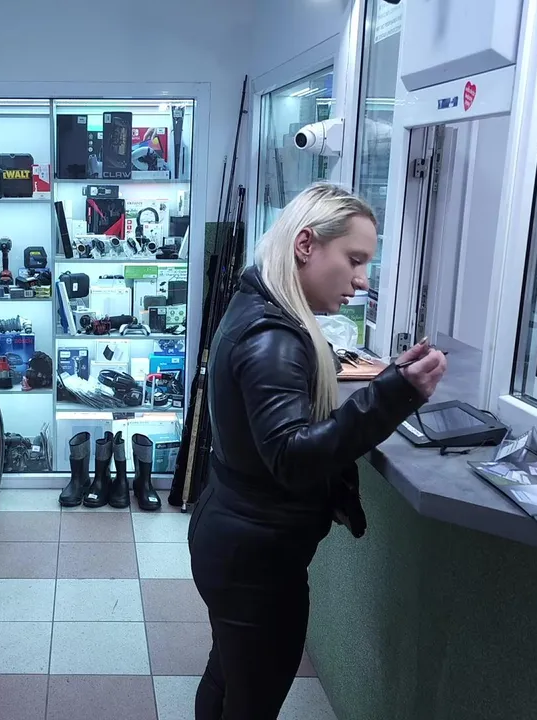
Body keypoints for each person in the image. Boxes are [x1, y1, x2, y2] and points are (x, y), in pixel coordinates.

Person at [189, 182, 447, 719]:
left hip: (238, 540)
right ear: (306, 245)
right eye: (354, 259)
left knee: (229, 676)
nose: (362, 279)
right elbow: (292, 456)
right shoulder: (274, 337)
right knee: (249, 699)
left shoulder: (260, 299)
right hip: (255, 559)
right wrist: (393, 394)